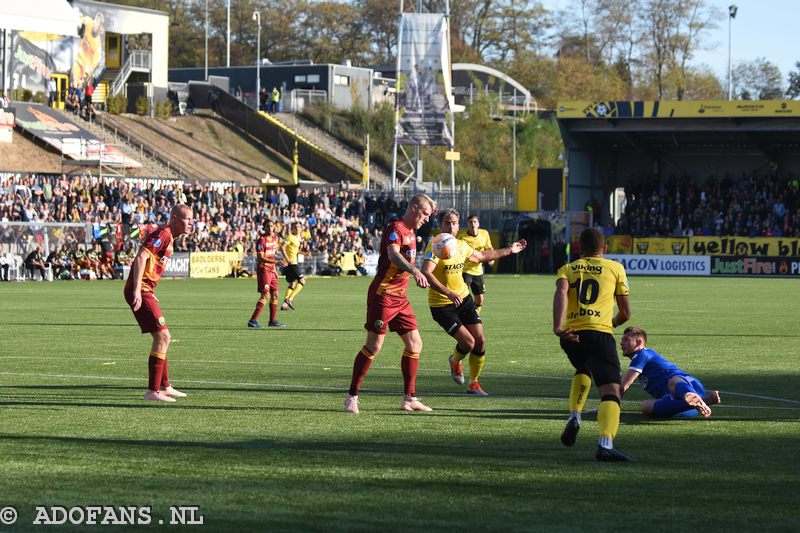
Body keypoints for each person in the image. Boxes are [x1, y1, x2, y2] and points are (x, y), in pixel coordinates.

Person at [344, 194, 436, 414]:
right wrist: (414, 271)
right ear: (414, 208)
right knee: (374, 346)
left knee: (415, 344)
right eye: (425, 214)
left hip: (401, 298)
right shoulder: (394, 229)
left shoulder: (413, 233)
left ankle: (410, 398)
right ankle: (351, 397)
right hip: (383, 295)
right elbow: (393, 255)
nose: (426, 219)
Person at [423, 209, 526, 396]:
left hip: (463, 299)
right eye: (447, 222)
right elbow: (426, 273)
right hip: (441, 305)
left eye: (454, 222)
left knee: (480, 341)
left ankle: (474, 384)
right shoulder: (435, 245)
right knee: (468, 343)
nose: (451, 226)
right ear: (441, 225)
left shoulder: (461, 245)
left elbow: (482, 257)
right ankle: (455, 360)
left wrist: (509, 250)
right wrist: (448, 292)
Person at [553, 227, 633, 462]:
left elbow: (560, 294)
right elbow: (626, 313)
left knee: (583, 369)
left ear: (579, 249)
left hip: (571, 334)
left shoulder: (567, 268)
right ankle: (605, 444)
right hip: (599, 334)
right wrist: (611, 323)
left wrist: (558, 327)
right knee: (612, 391)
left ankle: (575, 415)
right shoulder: (615, 268)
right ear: (604, 248)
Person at [124, 204, 193, 403]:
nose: (191, 223)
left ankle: (165, 386)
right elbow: (141, 258)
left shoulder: (170, 237)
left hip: (147, 291)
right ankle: (152, 391)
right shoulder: (163, 234)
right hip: (140, 290)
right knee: (163, 336)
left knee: (162, 337)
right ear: (174, 218)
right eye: (187, 219)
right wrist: (138, 289)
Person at [620, 327, 720, 418]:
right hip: (686, 409)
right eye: (621, 340)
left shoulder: (642, 354)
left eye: (626, 340)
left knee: (673, 381)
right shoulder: (644, 356)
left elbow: (624, 385)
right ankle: (705, 400)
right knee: (646, 406)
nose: (621, 343)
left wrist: (610, 404)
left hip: (689, 386)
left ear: (638, 342)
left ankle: (693, 396)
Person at [248, 220, 286, 328]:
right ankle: (253, 320)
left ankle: (272, 321)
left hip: (271, 270)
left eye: (271, 226)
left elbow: (272, 255)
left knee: (275, 294)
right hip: (264, 269)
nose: (270, 228)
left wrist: (274, 269)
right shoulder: (261, 240)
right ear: (264, 228)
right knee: (265, 295)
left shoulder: (274, 239)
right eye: (268, 226)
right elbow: (260, 258)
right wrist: (275, 262)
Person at [456, 214, 494, 314]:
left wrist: (491, 257)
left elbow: (489, 248)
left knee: (480, 298)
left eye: (475, 222)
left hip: (478, 271)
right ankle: (461, 314)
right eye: (470, 222)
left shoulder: (484, 234)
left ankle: (476, 314)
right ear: (468, 224)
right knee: (463, 295)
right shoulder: (461, 236)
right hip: (465, 270)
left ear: (478, 224)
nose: (473, 224)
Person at [280, 221, 306, 310]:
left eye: (299, 227)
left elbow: (295, 251)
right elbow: (282, 247)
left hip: (292, 263)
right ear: (293, 228)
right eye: (296, 227)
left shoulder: (298, 238)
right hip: (292, 264)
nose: (297, 229)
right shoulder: (290, 237)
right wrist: (287, 259)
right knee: (302, 281)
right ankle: (290, 299)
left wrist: (305, 254)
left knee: (292, 284)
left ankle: (284, 304)